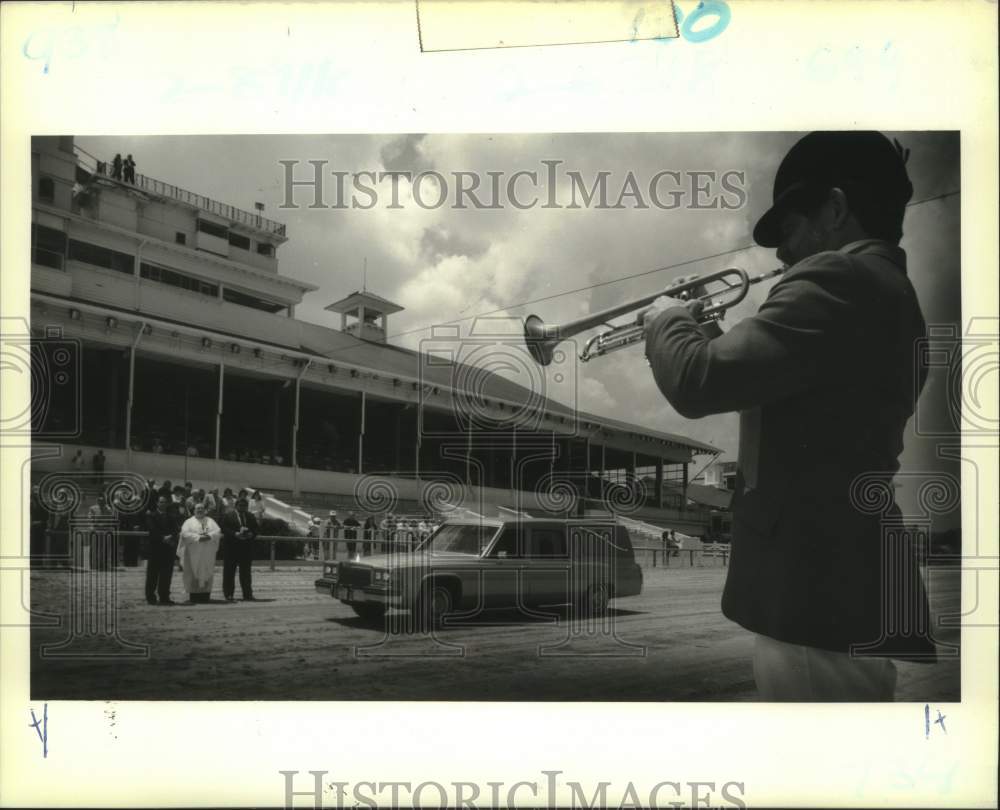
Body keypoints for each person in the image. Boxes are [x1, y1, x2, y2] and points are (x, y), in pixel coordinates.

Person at [641, 131, 934, 701]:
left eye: (789, 227)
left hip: (813, 584)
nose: (780, 253)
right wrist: (702, 330)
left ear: (835, 208)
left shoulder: (839, 278)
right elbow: (778, 386)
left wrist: (663, 320)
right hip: (836, 579)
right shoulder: (882, 287)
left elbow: (698, 383)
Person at [177, 503, 221, 603]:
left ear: (205, 510)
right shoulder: (188, 522)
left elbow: (218, 531)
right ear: (194, 510)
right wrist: (198, 538)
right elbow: (184, 534)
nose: (200, 510)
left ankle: (206, 596)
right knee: (192, 572)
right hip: (193, 553)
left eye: (202, 508)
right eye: (198, 508)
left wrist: (209, 536)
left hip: (207, 554)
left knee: (207, 572)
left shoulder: (210, 521)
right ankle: (194, 596)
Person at [220, 498, 259, 602]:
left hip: (246, 549)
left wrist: (251, 534)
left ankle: (248, 594)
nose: (242, 508)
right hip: (231, 548)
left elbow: (256, 529)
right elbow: (223, 528)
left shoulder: (250, 516)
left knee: (246, 573)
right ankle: (228, 594)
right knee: (229, 573)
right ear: (236, 506)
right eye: (240, 506)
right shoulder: (228, 515)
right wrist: (235, 534)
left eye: (244, 506)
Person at [145, 495, 179, 605]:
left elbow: (175, 530)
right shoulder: (151, 516)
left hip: (168, 550)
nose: (163, 504)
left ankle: (164, 597)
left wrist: (170, 537)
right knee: (152, 575)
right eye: (161, 502)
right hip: (155, 549)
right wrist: (163, 538)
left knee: (166, 575)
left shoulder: (171, 516)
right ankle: (151, 597)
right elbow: (152, 530)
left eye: (165, 502)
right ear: (157, 503)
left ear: (167, 504)